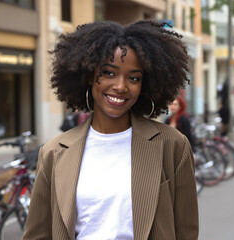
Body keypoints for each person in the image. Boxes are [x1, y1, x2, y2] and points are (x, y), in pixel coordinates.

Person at [23, 20, 198, 240]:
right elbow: (37, 235)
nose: (121, 86)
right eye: (108, 73)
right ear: (88, 75)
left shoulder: (172, 145)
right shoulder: (53, 153)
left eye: (134, 78)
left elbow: (186, 231)